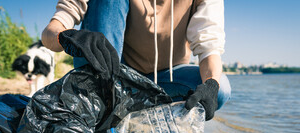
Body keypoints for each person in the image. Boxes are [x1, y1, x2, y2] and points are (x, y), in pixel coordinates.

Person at [42, 0, 231, 120]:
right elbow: (49, 34)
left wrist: (211, 85)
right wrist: (67, 37)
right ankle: (102, 103)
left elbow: (209, 49)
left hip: (165, 80)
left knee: (220, 88)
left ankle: (142, 112)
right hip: (113, 74)